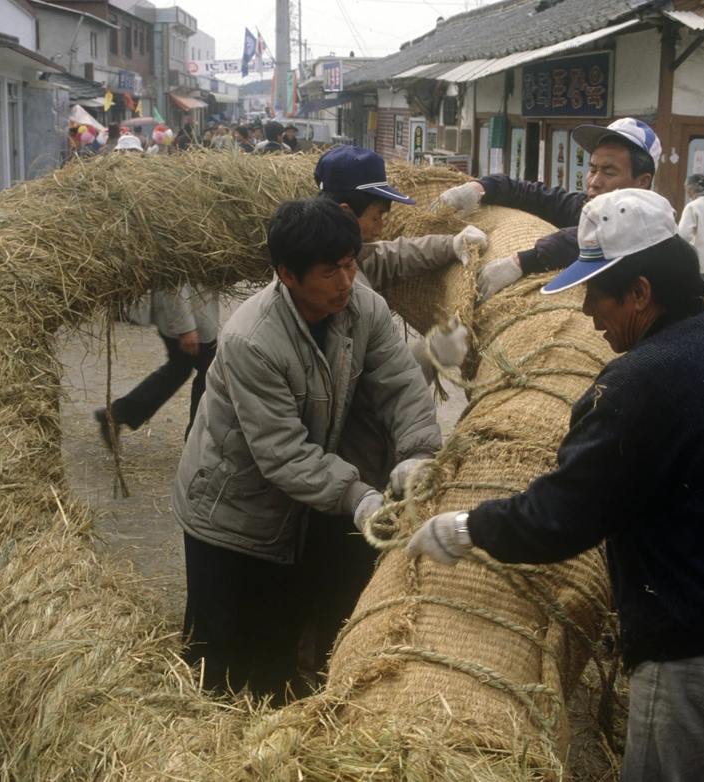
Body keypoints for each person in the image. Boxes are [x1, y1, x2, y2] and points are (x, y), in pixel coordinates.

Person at [407, 188, 704, 782]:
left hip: (703, 658)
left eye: (596, 293)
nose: (590, 315)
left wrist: (467, 526)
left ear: (641, 292)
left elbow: (561, 517)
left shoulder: (633, 383)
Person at [172, 198, 441, 704]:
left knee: (279, 643)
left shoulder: (364, 307)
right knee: (221, 656)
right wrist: (358, 496)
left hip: (295, 507)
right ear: (287, 275)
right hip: (232, 510)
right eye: (328, 272)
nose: (344, 281)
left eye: (349, 264)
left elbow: (400, 387)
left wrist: (418, 452)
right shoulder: (252, 339)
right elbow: (282, 453)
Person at [306, 145, 485, 674]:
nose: (384, 221)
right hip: (343, 454)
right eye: (377, 211)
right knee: (341, 569)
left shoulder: (348, 259)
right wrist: (430, 355)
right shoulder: (331, 283)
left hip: (366, 450)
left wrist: (452, 244)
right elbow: (365, 383)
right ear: (344, 214)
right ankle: (325, 669)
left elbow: (391, 257)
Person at [435, 117, 660, 303]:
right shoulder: (587, 205)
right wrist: (481, 188)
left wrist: (523, 261)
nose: (594, 182)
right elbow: (539, 197)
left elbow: (592, 237)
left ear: (642, 182)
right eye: (592, 169)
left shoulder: (652, 227)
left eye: (609, 173)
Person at [94, 284, 218, 444]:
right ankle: (198, 441)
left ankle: (118, 413)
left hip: (190, 315)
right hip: (187, 318)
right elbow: (173, 285)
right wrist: (185, 328)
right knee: (208, 375)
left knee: (179, 368)